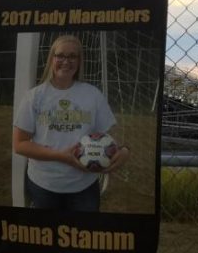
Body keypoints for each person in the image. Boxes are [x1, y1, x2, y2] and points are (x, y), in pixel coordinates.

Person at [11, 35, 129, 212]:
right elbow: (19, 145)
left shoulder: (92, 95)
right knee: (45, 237)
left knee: (84, 237)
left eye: (72, 56)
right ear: (52, 59)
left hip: (84, 186)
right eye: (61, 56)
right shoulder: (34, 97)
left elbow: (113, 135)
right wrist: (61, 156)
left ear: (79, 61)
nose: (66, 61)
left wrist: (124, 151)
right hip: (44, 184)